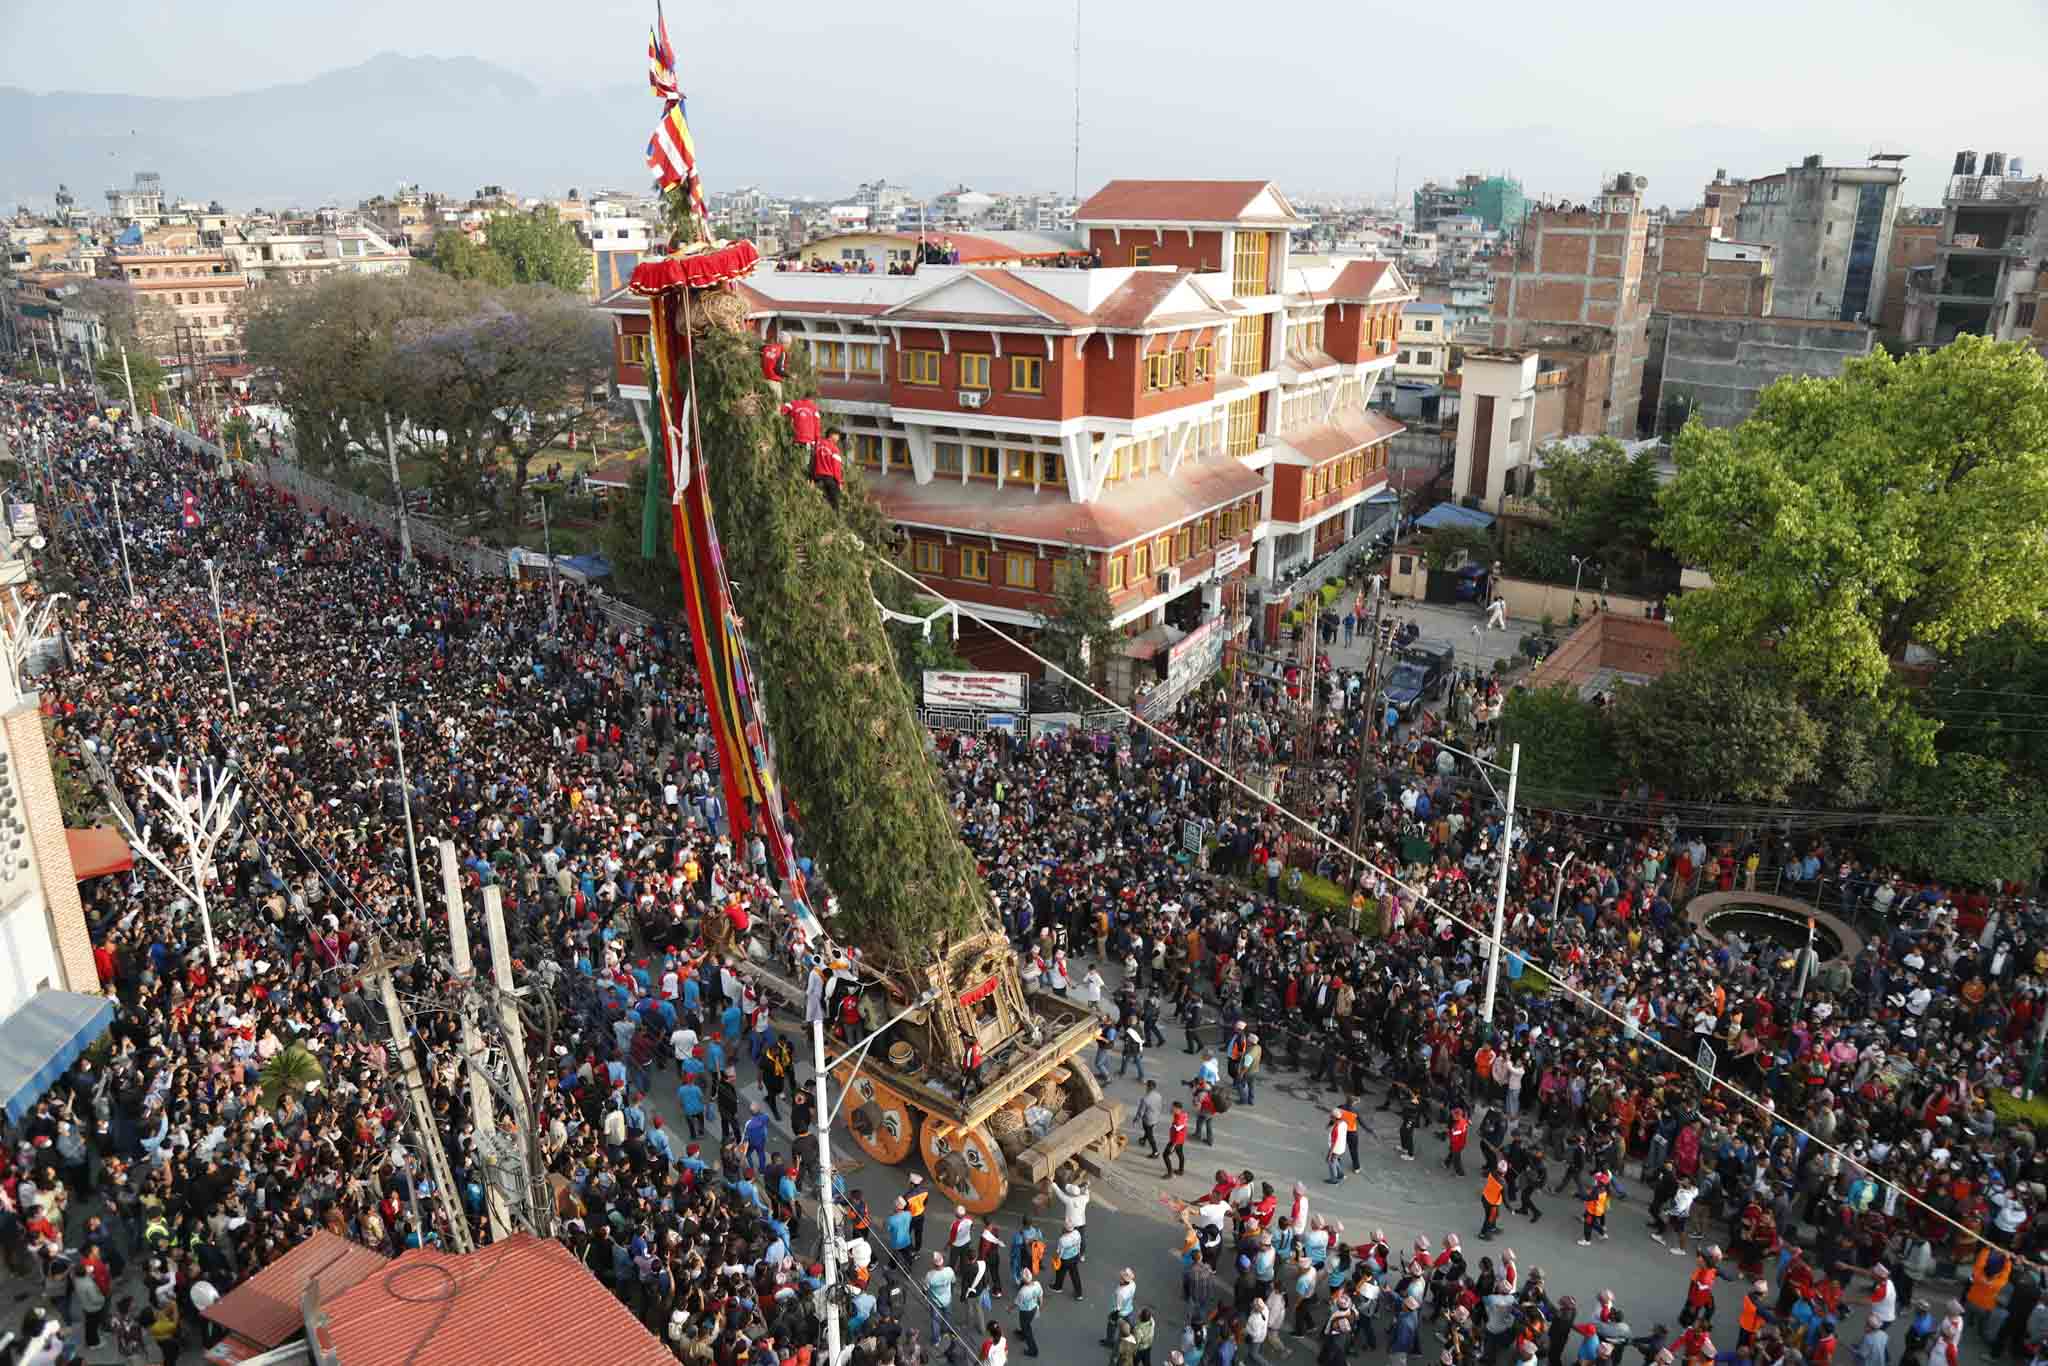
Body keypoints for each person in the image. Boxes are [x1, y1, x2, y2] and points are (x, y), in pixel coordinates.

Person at [1051, 1222, 1086, 1301]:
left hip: (1065, 1259)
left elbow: (1060, 1252)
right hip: (1075, 1256)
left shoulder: (1062, 1239)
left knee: (1060, 1272)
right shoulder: (1077, 1233)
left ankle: (1058, 1287)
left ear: (1065, 1229)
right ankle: (1079, 1294)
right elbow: (1079, 1244)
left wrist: (1056, 1259)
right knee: (1075, 1275)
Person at [1014, 1267, 1044, 1357]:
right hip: (1034, 1308)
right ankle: (1023, 1334)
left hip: (1025, 1312)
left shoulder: (1022, 1291)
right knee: (1026, 1324)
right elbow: (1040, 1296)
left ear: (1023, 1280)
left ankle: (1033, 1350)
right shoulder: (1037, 1284)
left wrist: (1009, 1309)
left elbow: (1017, 1303)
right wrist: (1041, 1306)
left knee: (1026, 1328)